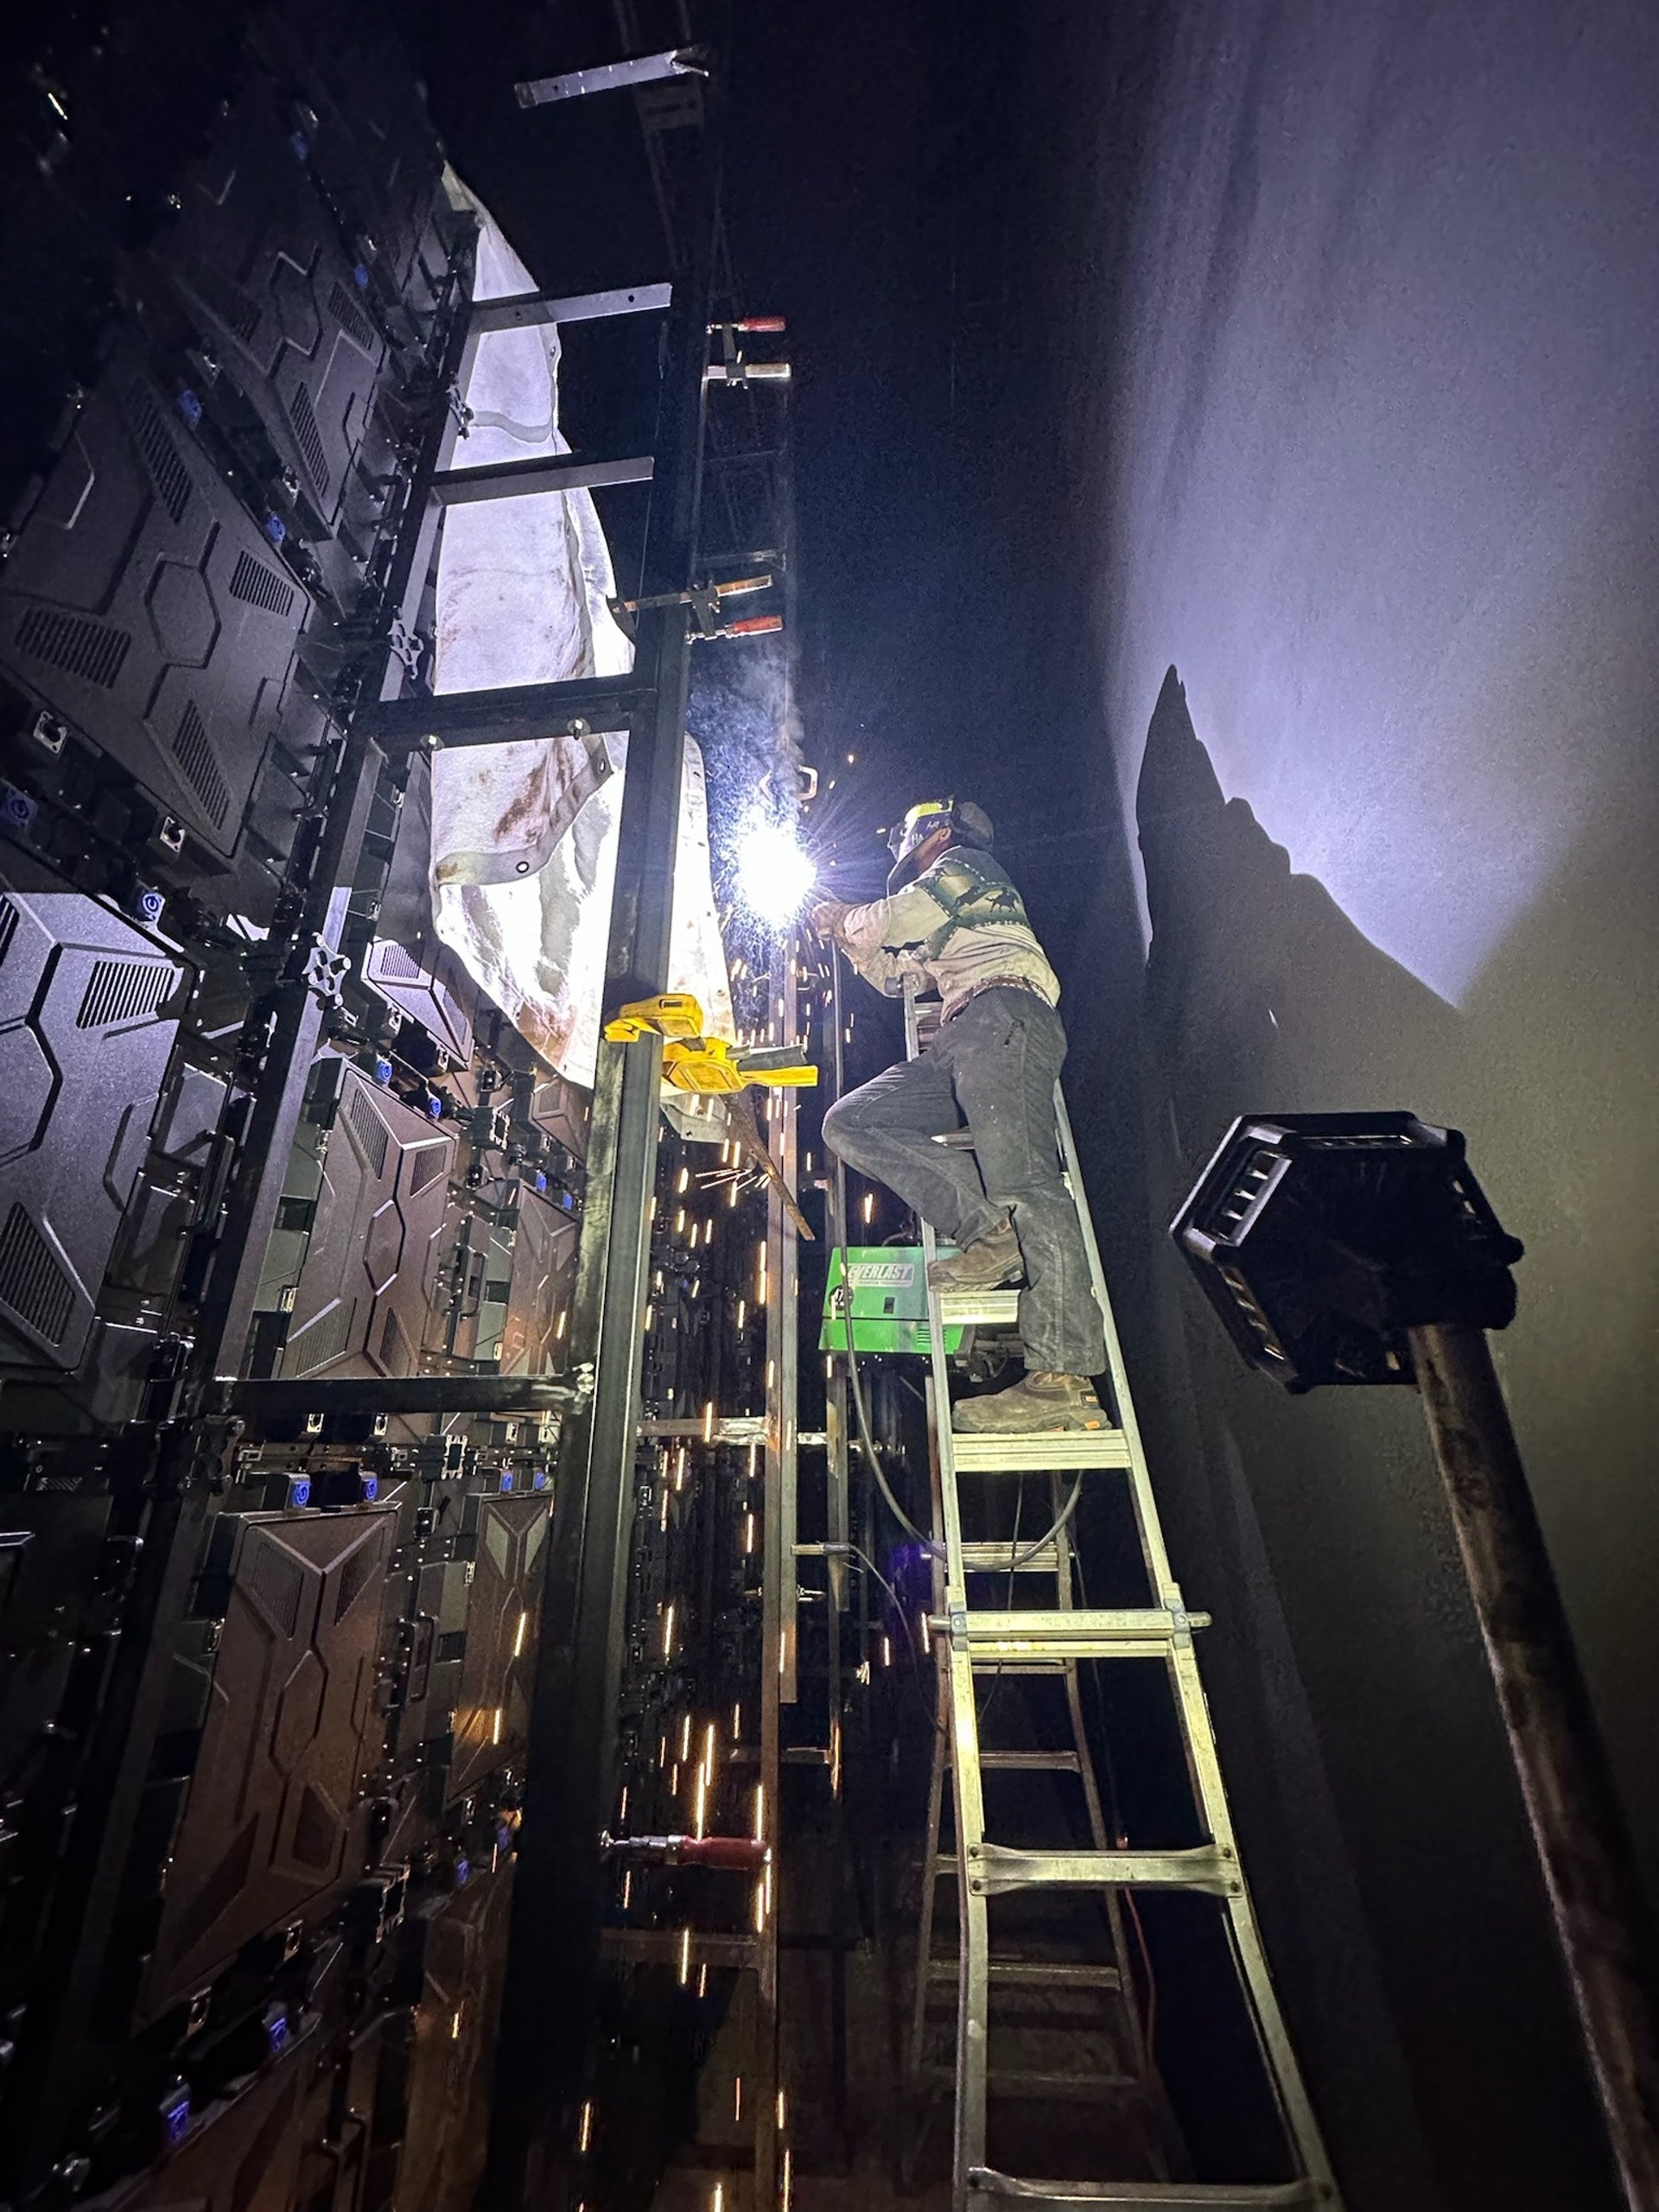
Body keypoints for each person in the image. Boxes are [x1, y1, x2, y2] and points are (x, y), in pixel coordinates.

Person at [810, 798, 1107, 1434]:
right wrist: (848, 938)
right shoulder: (953, 914)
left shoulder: (965, 865)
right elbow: (897, 978)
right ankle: (990, 1230)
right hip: (964, 1037)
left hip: (1004, 1016)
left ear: (936, 833)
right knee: (851, 1123)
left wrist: (845, 917)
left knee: (1028, 1184)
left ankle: (1063, 1375)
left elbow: (894, 918)